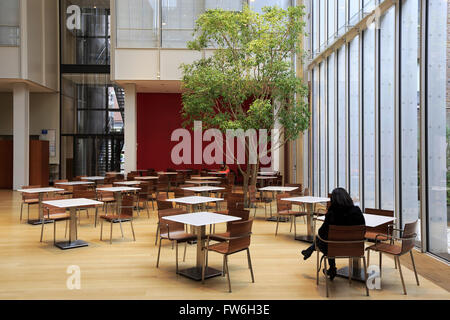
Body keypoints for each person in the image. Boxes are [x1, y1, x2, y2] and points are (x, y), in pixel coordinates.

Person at [301, 188, 365, 280]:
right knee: (331, 241)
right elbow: (363, 230)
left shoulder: (332, 214)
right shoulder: (357, 211)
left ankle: (313, 251)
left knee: (326, 240)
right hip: (355, 248)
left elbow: (321, 233)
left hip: (333, 248)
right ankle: (314, 253)